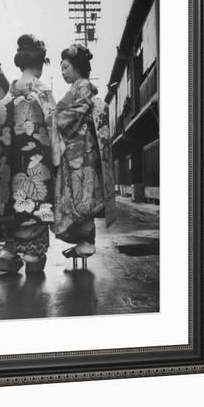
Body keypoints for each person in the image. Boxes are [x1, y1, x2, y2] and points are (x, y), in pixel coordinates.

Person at [0, 34, 60, 274]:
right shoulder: (43, 93)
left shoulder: (7, 96)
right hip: (36, 165)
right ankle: (32, 257)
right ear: (41, 64)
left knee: (13, 205)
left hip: (10, 165)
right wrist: (57, 162)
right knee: (36, 205)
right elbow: (54, 131)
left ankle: (8, 254)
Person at [52, 44, 116, 267]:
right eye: (61, 68)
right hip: (75, 151)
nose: (63, 72)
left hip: (82, 151)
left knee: (81, 197)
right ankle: (83, 241)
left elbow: (78, 111)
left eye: (66, 67)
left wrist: (56, 117)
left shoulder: (83, 87)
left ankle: (87, 241)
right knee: (76, 196)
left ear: (78, 67)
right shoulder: (78, 87)